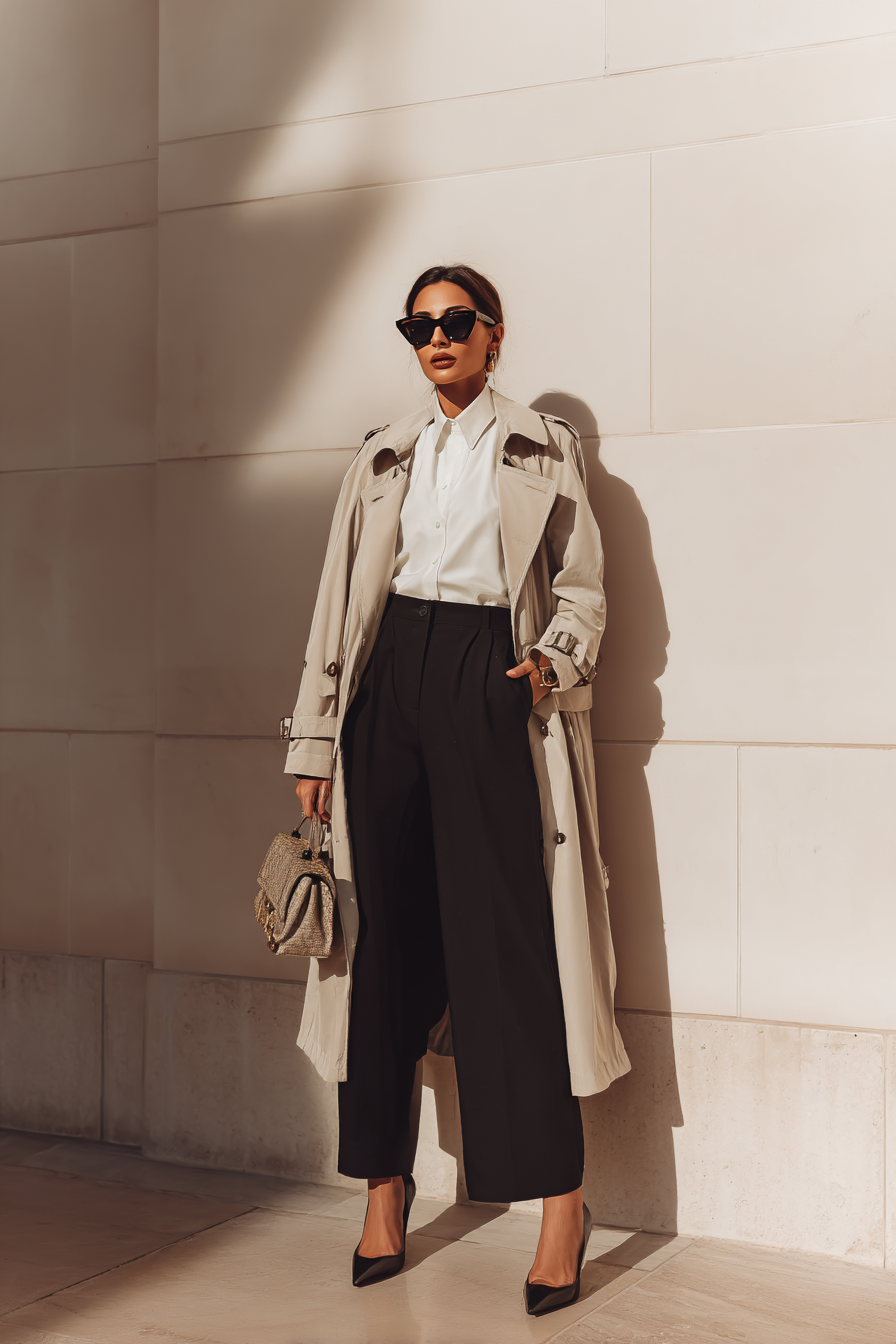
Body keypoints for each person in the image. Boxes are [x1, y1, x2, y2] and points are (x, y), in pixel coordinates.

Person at [284, 264, 630, 1317]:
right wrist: (311, 743)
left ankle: (559, 1205)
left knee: (507, 947)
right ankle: (383, 1191)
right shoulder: (385, 455)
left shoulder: (540, 448)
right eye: (418, 324)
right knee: (376, 942)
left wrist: (547, 666)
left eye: (453, 322)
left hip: (490, 678)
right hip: (389, 683)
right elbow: (336, 602)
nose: (435, 338)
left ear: (492, 335)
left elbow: (581, 589)